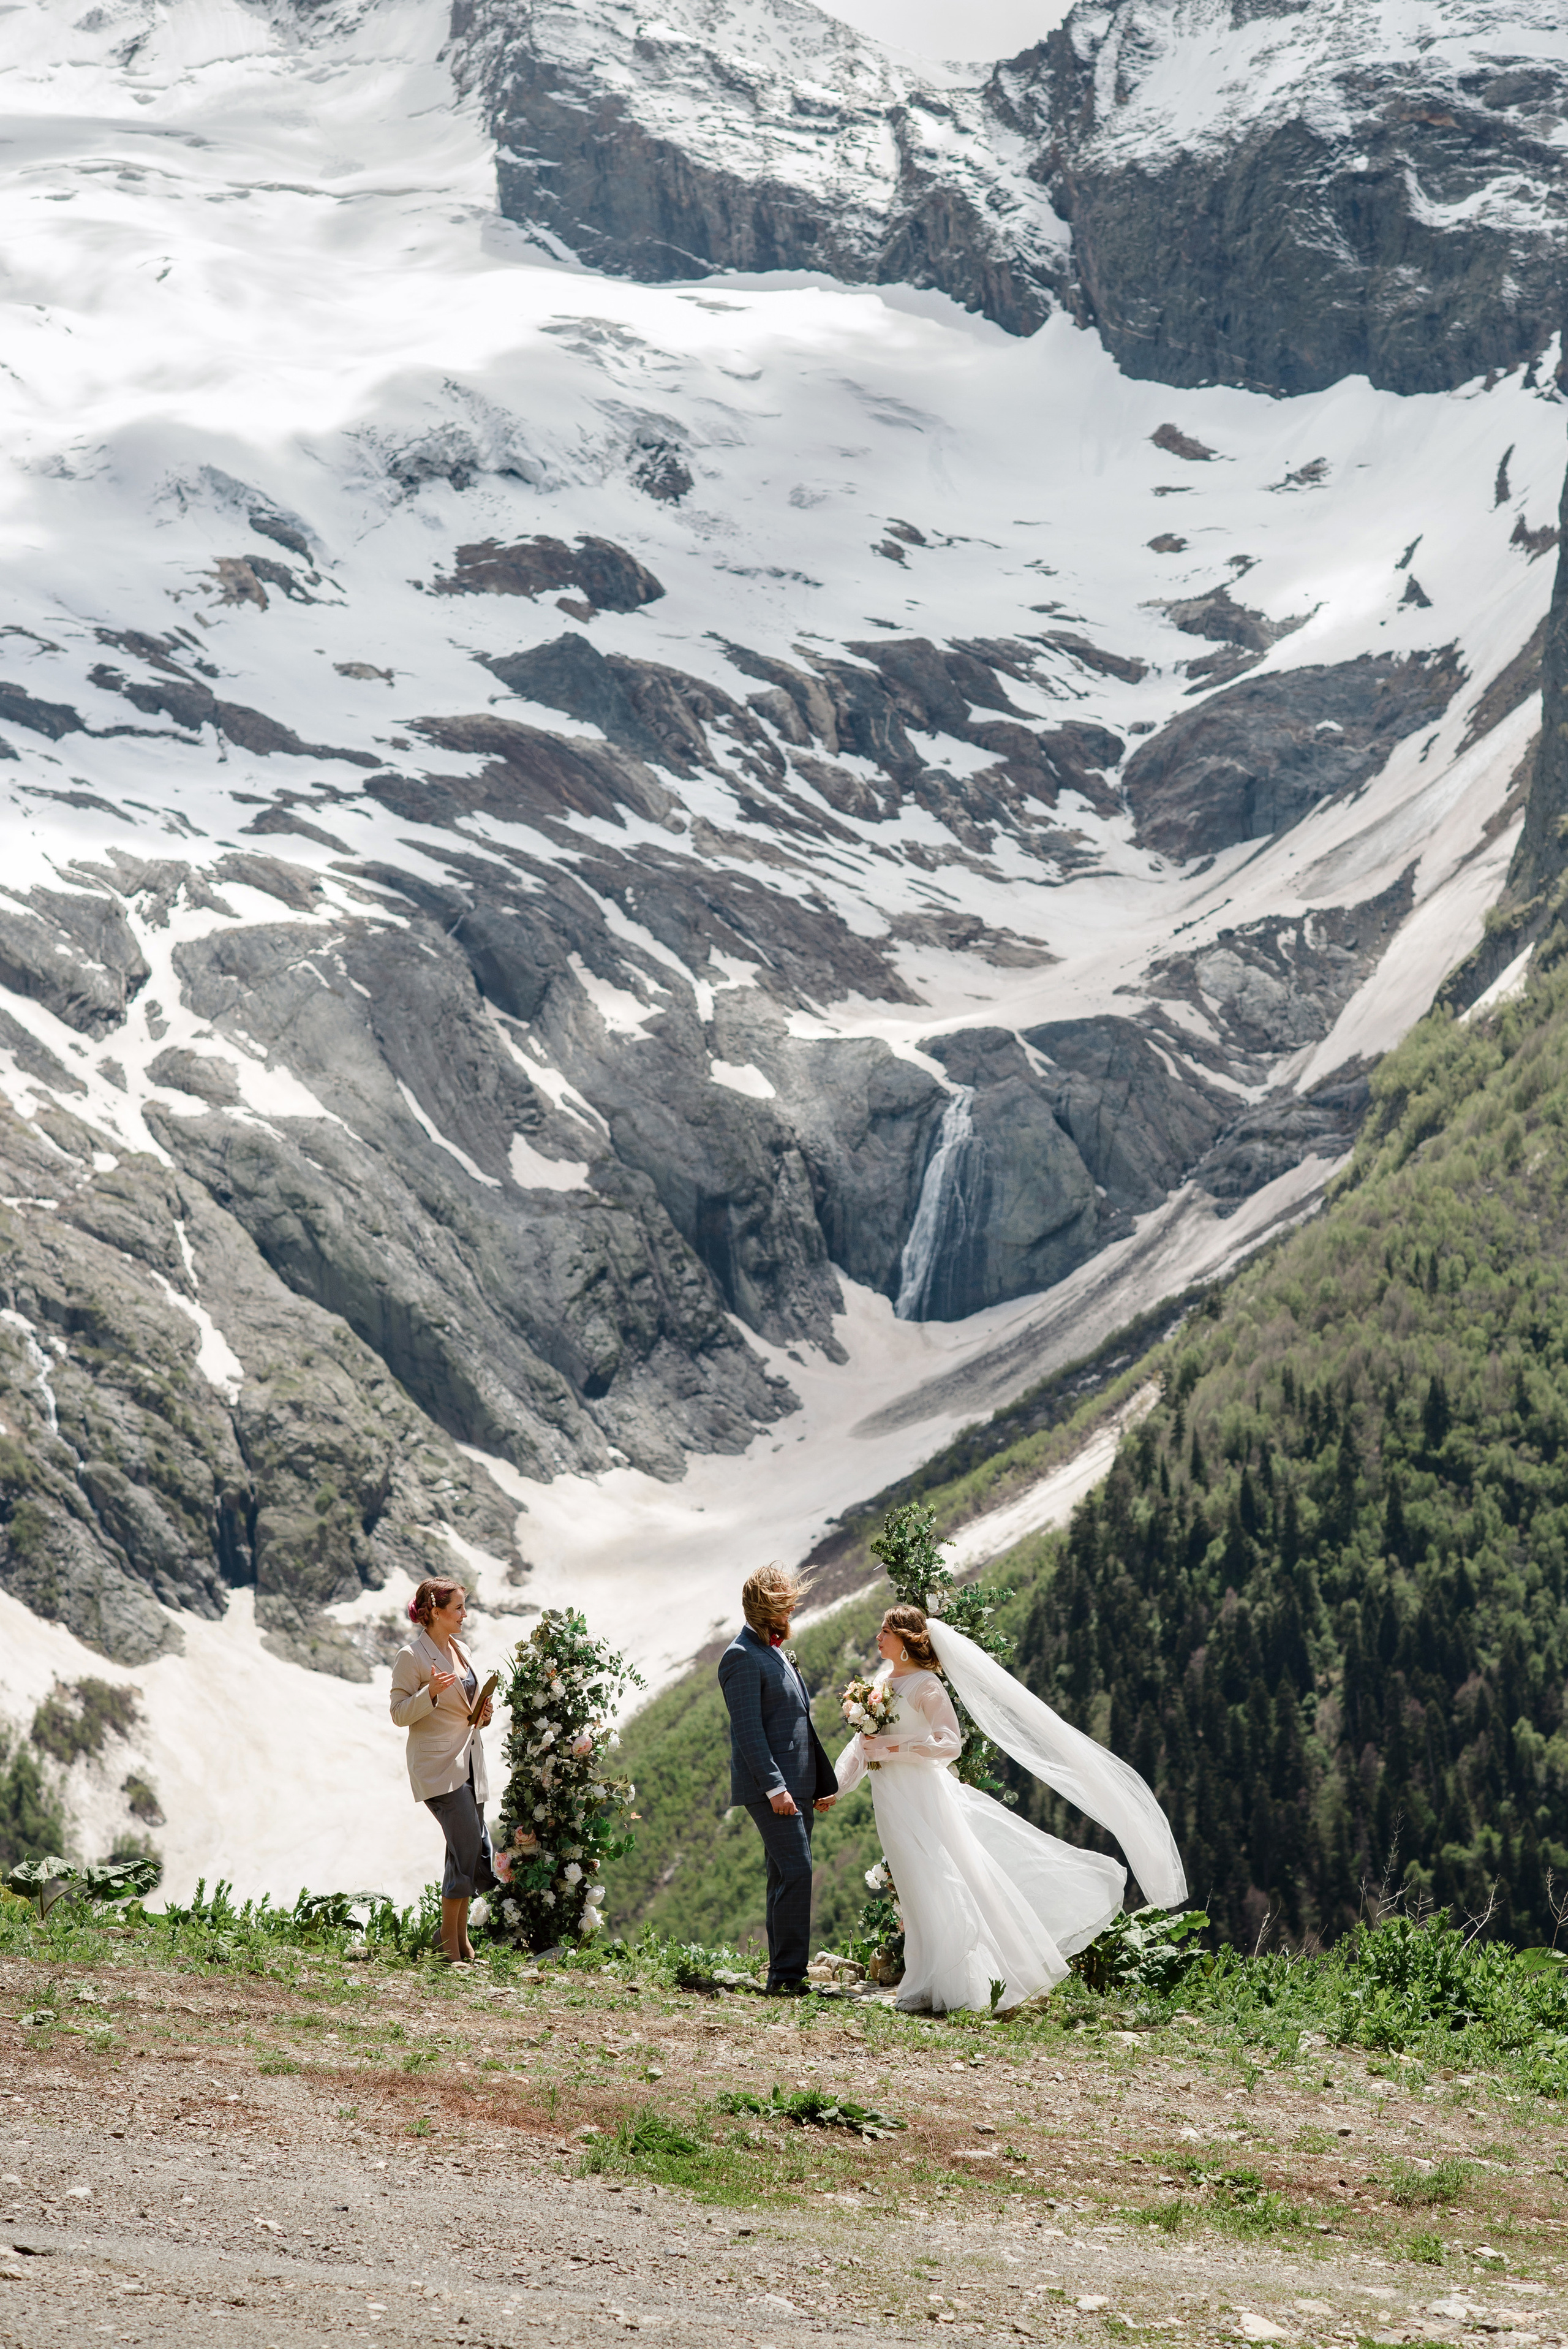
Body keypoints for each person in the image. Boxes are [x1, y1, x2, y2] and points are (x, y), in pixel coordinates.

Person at [835, 1603, 1188, 2014]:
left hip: (924, 1797)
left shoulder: (926, 1686)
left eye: (885, 1631)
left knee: (937, 1881)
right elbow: (862, 1746)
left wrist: (892, 1748)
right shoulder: (880, 1683)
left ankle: (962, 1983)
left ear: (905, 1641)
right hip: (890, 1799)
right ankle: (926, 1981)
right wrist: (835, 1790)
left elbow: (949, 1744)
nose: (878, 1636)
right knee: (912, 1887)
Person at [717, 1564, 838, 1995]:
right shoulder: (740, 1656)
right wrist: (776, 1788)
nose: (792, 1612)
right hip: (773, 1789)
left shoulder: (776, 1652)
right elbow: (749, 1732)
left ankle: (782, 1977)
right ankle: (789, 1977)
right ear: (767, 1609)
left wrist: (820, 1784)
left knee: (784, 1875)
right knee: (797, 1871)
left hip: (798, 1786)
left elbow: (799, 1725)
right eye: (786, 1605)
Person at [390, 1577, 503, 1964]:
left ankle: (458, 1942)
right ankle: (447, 1945)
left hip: (470, 1762)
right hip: (438, 1767)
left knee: (465, 1851)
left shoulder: (462, 1649)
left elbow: (464, 1712)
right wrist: (430, 1693)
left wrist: (482, 1714)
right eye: (458, 1608)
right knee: (467, 1845)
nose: (465, 1615)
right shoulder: (411, 1656)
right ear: (436, 1612)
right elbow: (398, 1714)